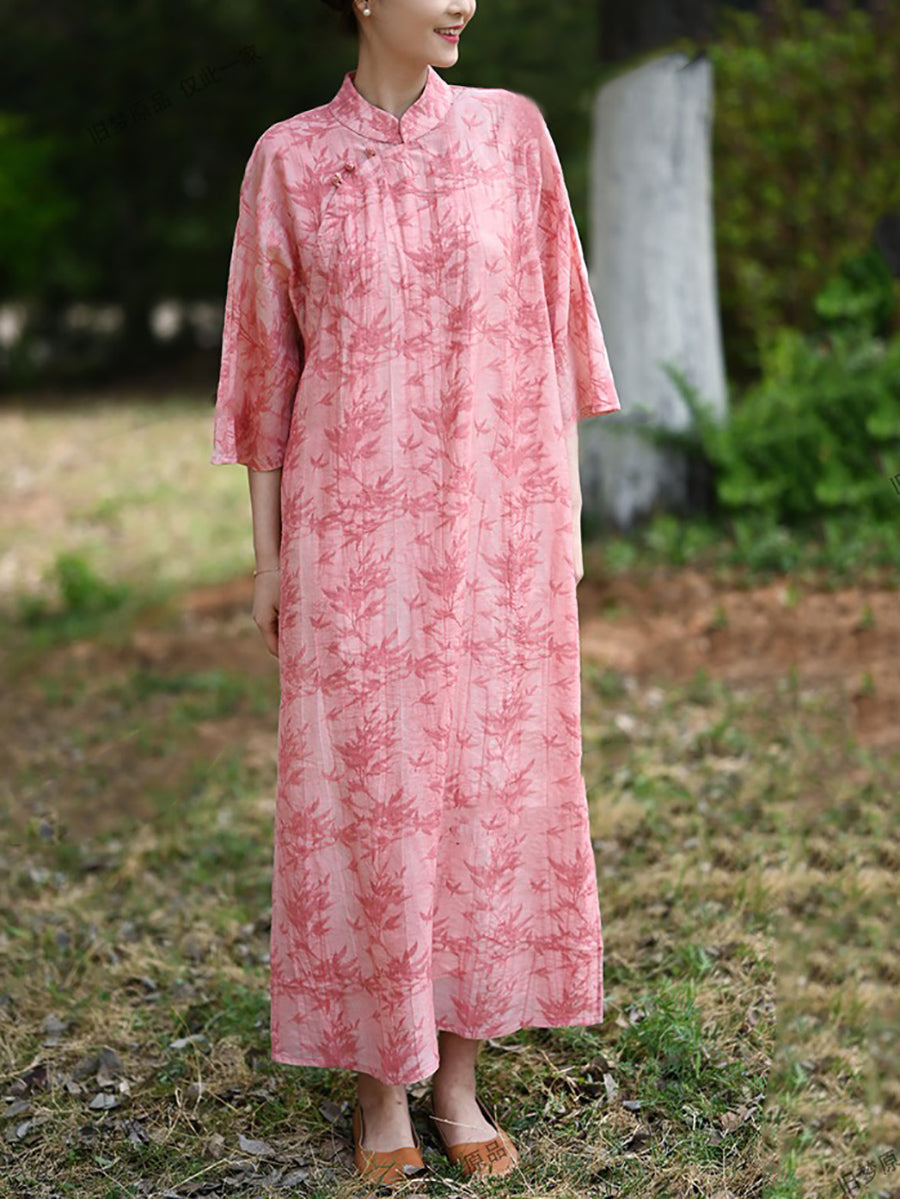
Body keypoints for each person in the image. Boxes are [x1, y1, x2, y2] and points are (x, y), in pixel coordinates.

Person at [210, 0, 622, 1186]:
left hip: (499, 533)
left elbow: (559, 338)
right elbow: (264, 372)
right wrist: (268, 556)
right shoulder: (290, 161)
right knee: (370, 800)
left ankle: (459, 1078)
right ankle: (379, 1083)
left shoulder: (512, 135)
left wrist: (564, 523)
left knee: (486, 792)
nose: (462, 2)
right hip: (352, 540)